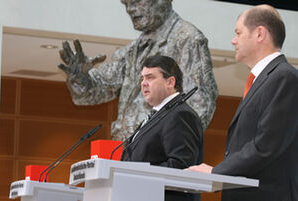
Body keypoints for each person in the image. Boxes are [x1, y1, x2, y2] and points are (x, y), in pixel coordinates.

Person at [58, 0, 218, 141]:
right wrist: (79, 77)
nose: (130, 9)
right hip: (126, 153)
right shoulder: (132, 51)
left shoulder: (186, 40)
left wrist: (166, 147)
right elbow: (95, 91)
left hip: (156, 160)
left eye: (136, 1)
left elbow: (199, 106)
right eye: (126, 3)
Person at [186, 4, 298, 201]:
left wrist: (216, 171)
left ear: (260, 34)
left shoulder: (284, 78)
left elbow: (266, 145)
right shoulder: (263, 80)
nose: (233, 40)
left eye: (238, 32)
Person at [121, 55, 203, 201]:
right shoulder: (159, 114)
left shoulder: (180, 114)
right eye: (142, 79)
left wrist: (136, 174)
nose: (143, 83)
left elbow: (180, 167)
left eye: (150, 77)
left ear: (170, 82)